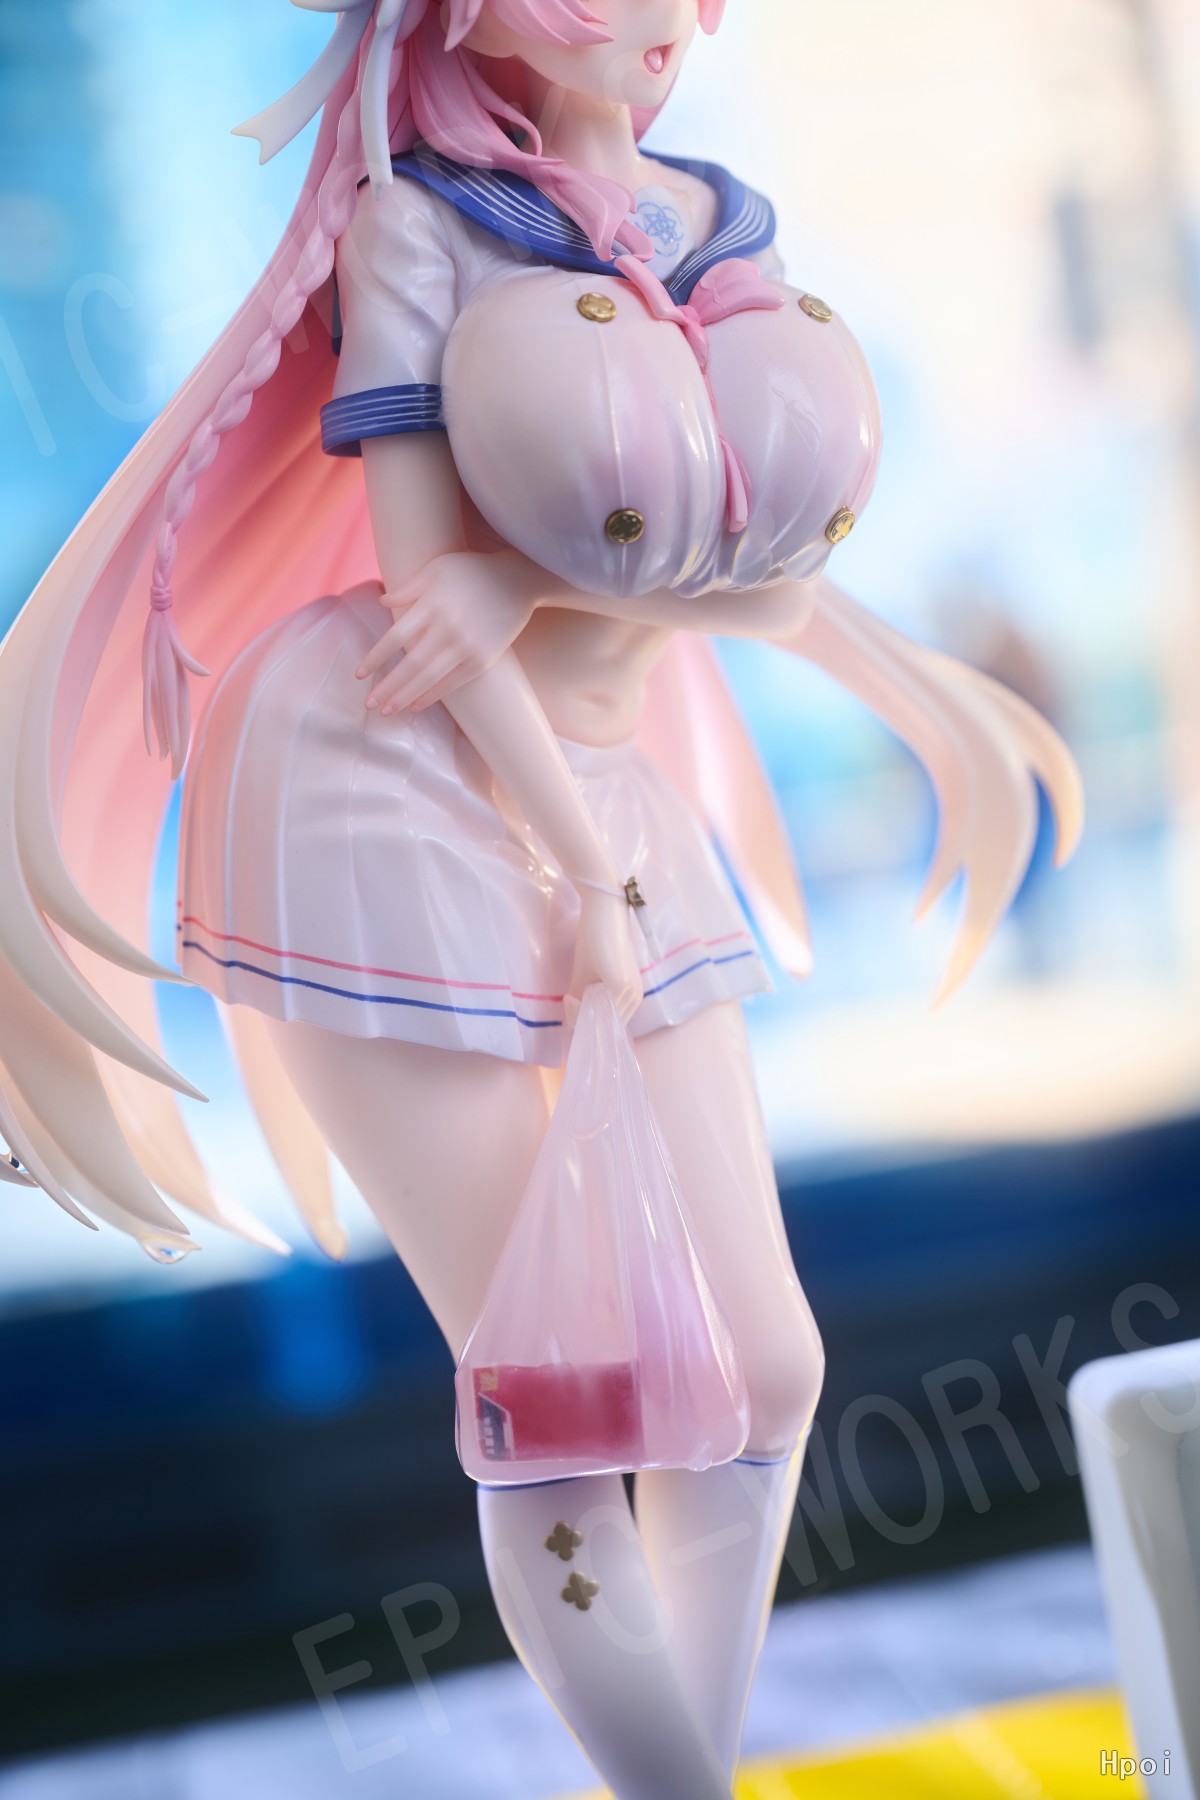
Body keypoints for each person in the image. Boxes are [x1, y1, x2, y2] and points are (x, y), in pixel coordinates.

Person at [0, 3, 1083, 1795]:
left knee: (766, 1369)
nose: (649, 22)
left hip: (605, 779)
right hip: (381, 779)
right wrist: (579, 855)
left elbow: (760, 584)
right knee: (569, 1389)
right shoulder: (416, 226)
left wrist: (566, 626)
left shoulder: (716, 223)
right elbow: (430, 608)